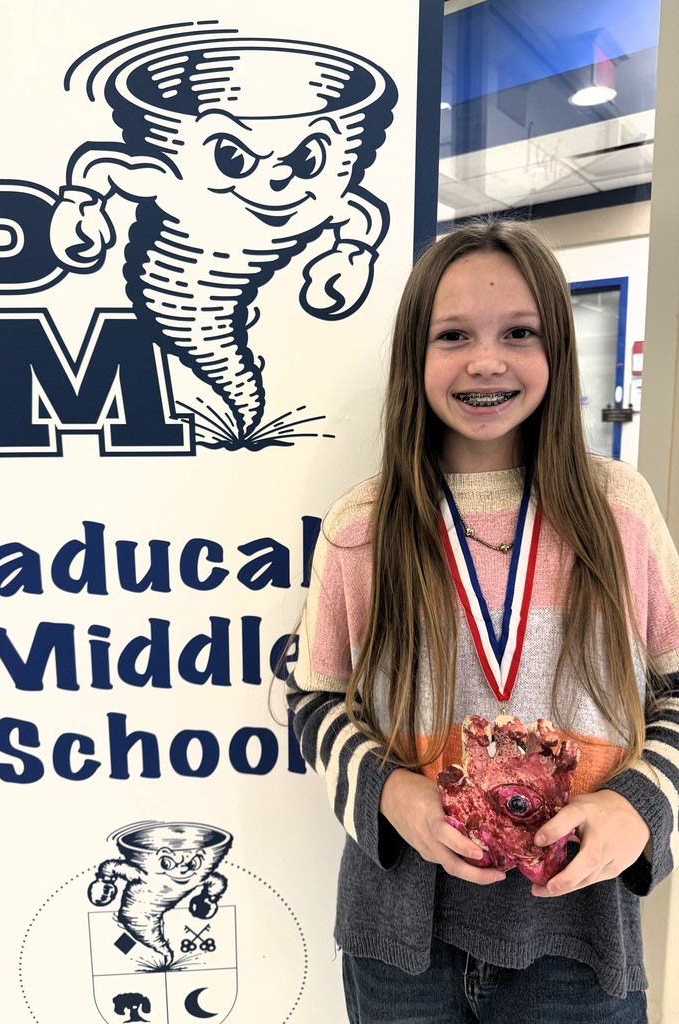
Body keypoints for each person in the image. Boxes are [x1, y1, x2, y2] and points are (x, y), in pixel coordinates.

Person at [286, 219, 679, 1023]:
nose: (486, 359)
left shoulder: (619, 512)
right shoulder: (363, 524)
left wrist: (636, 806)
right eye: (453, 334)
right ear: (413, 358)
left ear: (557, 352)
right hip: (400, 938)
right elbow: (312, 699)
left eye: (520, 333)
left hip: (580, 936)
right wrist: (390, 793)